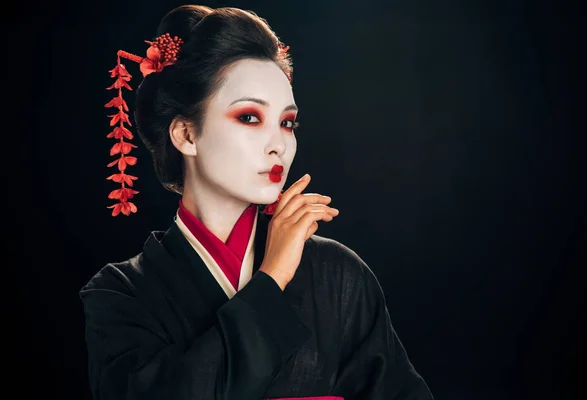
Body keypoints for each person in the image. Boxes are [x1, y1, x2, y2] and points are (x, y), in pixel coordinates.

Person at [79, 5, 434, 400]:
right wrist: (272, 277)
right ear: (185, 135)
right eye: (249, 118)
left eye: (287, 122)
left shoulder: (339, 275)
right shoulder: (121, 294)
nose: (278, 144)